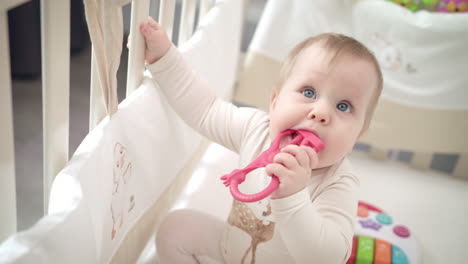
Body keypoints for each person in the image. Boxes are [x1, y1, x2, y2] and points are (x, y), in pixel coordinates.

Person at [140, 15, 383, 264]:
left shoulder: (338, 182)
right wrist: (164, 60)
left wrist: (293, 196)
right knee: (175, 229)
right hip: (229, 250)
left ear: (358, 135)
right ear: (275, 101)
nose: (321, 113)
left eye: (343, 106)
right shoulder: (256, 130)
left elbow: (329, 257)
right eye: (309, 92)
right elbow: (205, 110)